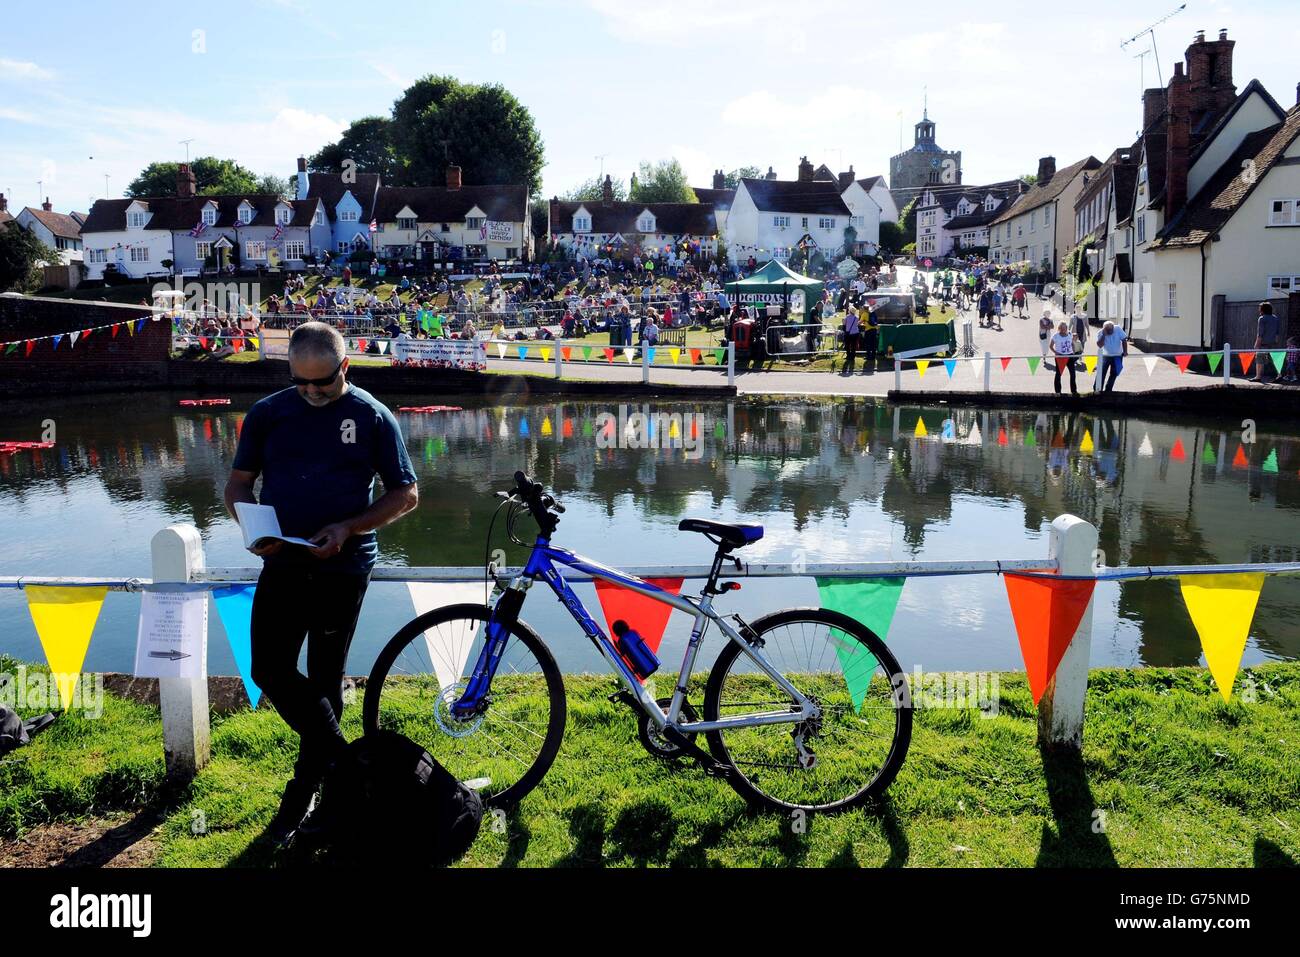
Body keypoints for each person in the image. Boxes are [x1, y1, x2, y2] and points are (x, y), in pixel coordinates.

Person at [224, 322, 419, 847]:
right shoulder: (268, 413)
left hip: (343, 565)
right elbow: (239, 484)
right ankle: (343, 765)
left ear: (345, 368)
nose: (311, 392)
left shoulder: (373, 416)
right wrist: (250, 527)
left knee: (325, 677)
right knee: (268, 667)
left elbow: (406, 494)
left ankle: (306, 796)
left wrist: (349, 527)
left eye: (323, 383)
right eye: (301, 382)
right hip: (282, 561)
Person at [1096, 320, 1128, 392]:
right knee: (1101, 373)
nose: (1111, 332)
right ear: (1104, 329)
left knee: (1114, 373)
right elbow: (1099, 345)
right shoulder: (1100, 333)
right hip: (1105, 356)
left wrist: (1125, 351)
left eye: (1111, 330)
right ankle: (1097, 389)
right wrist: (1103, 335)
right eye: (1108, 330)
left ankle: (1108, 390)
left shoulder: (1118, 329)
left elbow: (1124, 340)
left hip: (1117, 356)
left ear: (1113, 327)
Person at [1254, 301, 1281, 382]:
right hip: (1273, 342)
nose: (1259, 310)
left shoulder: (1262, 319)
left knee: (1259, 359)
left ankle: (1258, 377)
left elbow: (1260, 333)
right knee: (1275, 360)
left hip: (1263, 343)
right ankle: (1280, 375)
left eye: (1260, 308)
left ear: (1263, 309)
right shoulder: (1275, 318)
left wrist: (1257, 345)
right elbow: (1277, 332)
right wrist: (1276, 341)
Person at [1051, 320, 1079, 396]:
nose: (1063, 330)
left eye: (1065, 328)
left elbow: (1072, 343)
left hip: (1069, 356)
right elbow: (1051, 346)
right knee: (1058, 374)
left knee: (1073, 374)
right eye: (1062, 328)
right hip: (1060, 357)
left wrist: (1073, 351)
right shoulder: (1056, 336)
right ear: (1059, 328)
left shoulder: (1070, 334)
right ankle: (1058, 392)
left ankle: (1074, 391)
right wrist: (1055, 352)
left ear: (1067, 328)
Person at [841, 303, 861, 374]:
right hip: (855, 333)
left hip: (848, 333)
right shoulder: (857, 317)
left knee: (847, 345)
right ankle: (852, 357)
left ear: (849, 311)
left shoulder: (847, 317)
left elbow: (844, 323)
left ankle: (848, 355)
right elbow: (857, 324)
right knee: (853, 345)